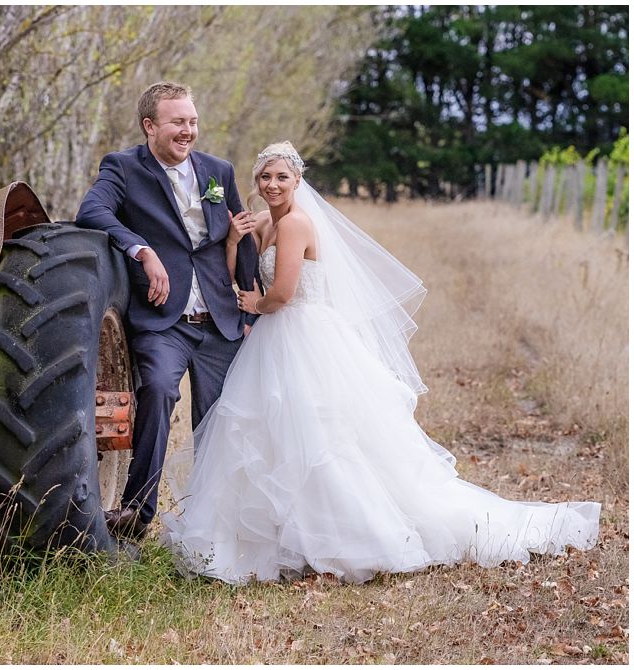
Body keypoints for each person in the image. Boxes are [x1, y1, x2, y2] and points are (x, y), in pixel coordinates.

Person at [160, 141, 601, 584]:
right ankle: (281, 535)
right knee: (275, 432)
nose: (272, 185)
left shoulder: (295, 224)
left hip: (303, 334)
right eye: (265, 177)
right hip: (275, 338)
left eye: (282, 177)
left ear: (298, 181)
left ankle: (343, 534)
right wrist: (236, 240)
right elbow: (234, 272)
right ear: (255, 182)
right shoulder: (262, 224)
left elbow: (282, 294)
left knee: (319, 437)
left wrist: (255, 306)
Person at [76, 81, 260, 540]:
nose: (188, 131)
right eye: (178, 122)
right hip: (164, 322)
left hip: (221, 319)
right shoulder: (123, 167)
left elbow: (242, 239)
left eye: (193, 122)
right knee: (156, 391)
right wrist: (141, 250)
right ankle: (137, 513)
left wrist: (252, 312)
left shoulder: (218, 170)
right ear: (150, 125)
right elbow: (92, 212)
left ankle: (221, 523)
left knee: (222, 416)